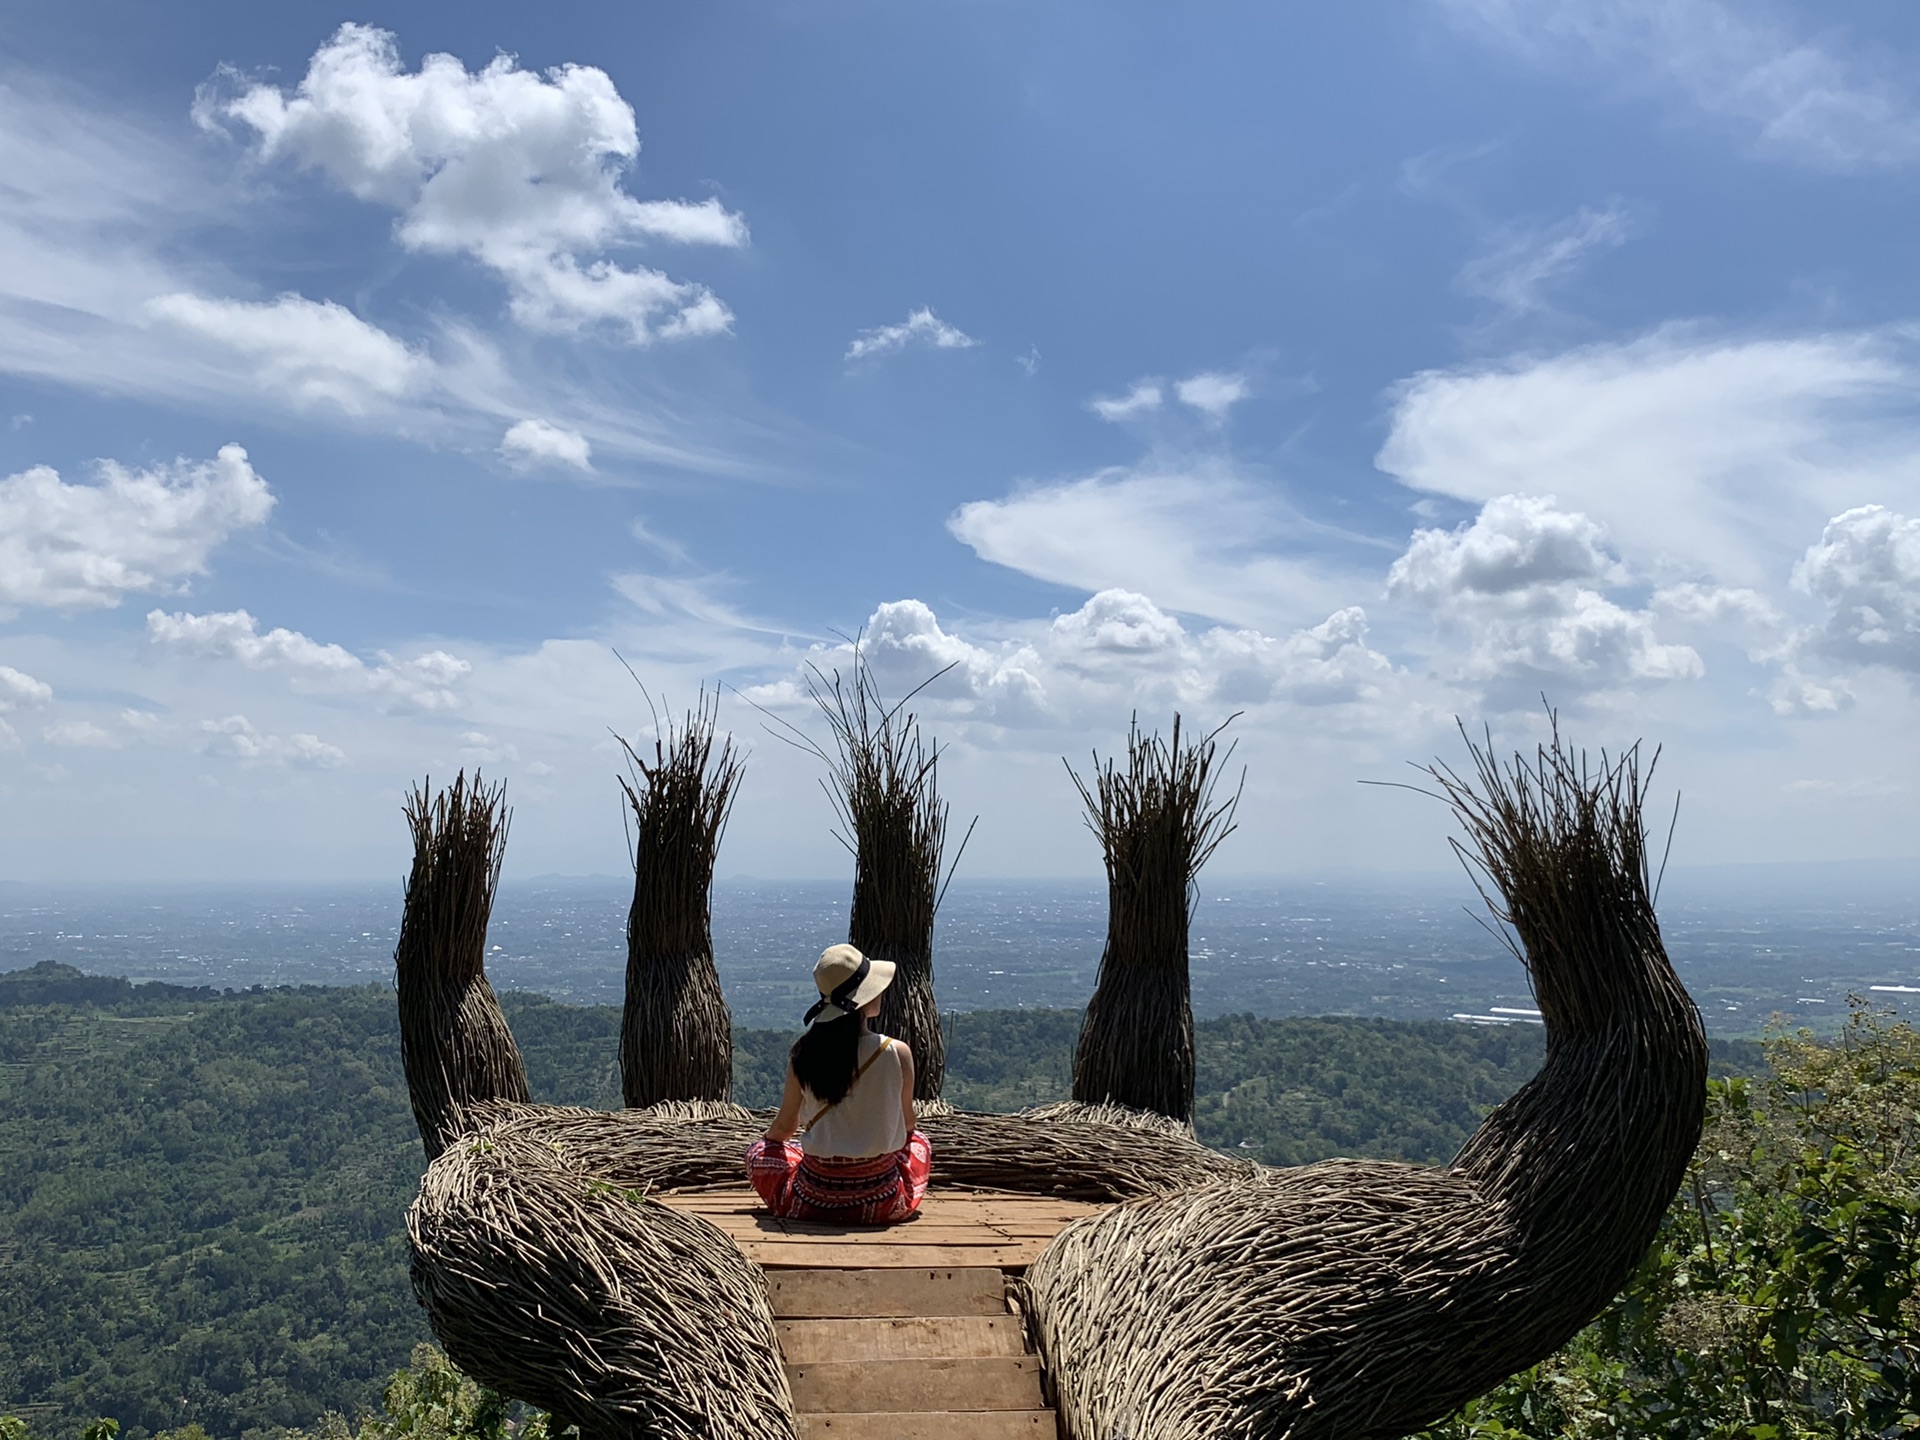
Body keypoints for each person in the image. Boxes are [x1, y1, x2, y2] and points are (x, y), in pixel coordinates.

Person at [744, 943, 932, 1224]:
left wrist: (768, 1146)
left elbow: (783, 1129)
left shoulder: (803, 1053)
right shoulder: (897, 1052)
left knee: (758, 1152)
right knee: (920, 1143)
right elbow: (908, 1127)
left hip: (813, 1197)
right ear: (865, 998)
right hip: (884, 1199)